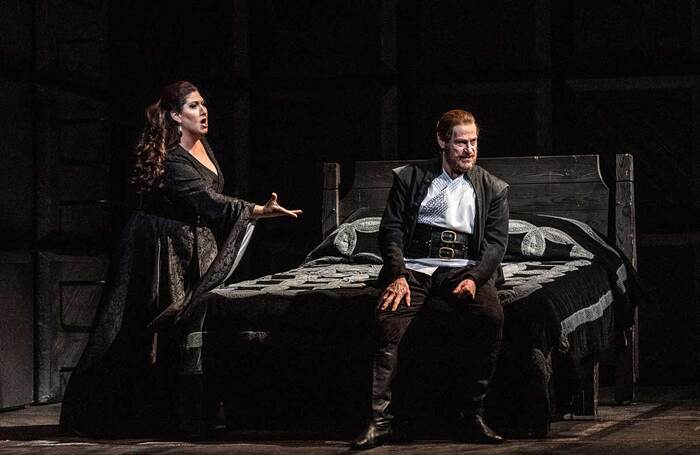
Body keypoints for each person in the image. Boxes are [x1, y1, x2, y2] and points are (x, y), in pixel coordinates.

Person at [59, 81, 301, 437]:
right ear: (175, 115)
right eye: (193, 106)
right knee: (161, 322)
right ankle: (146, 412)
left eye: (203, 104)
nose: (203, 111)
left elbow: (208, 197)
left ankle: (185, 410)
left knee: (193, 323)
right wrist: (255, 210)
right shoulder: (173, 159)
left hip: (193, 240)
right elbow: (205, 200)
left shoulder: (204, 147)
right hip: (161, 245)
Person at [352, 109, 509, 449]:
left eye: (473, 142)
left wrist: (477, 278)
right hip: (416, 266)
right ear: (442, 141)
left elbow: (497, 243)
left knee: (490, 318)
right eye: (460, 143)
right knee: (387, 320)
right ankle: (381, 423)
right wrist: (397, 274)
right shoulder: (410, 178)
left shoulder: (492, 188)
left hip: (465, 267)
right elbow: (391, 230)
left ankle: (471, 416)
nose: (468, 150)